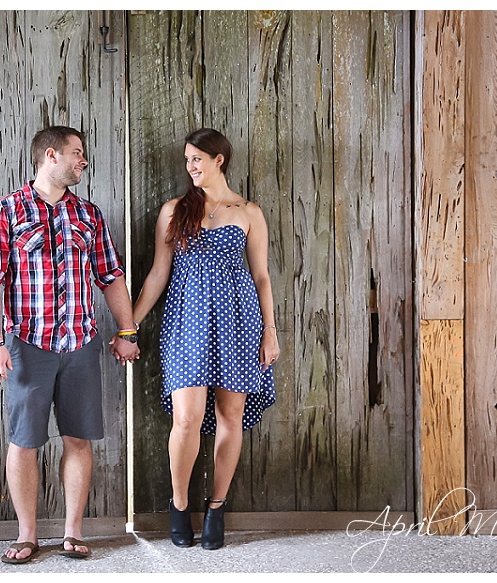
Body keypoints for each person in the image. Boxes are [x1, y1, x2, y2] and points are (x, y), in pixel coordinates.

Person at [0, 126, 140, 564]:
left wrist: (126, 331)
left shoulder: (89, 215)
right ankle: (27, 535)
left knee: (78, 439)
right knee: (24, 441)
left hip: (81, 343)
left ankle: (72, 533)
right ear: (51, 155)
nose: (83, 161)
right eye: (77, 153)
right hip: (27, 344)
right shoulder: (4, 212)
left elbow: (111, 275)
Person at [132, 128, 279, 550]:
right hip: (186, 322)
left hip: (239, 322)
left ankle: (217, 507)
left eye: (197, 159)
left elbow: (262, 276)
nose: (190, 167)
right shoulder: (174, 210)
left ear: (219, 160)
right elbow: (159, 274)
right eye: (187, 160)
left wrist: (270, 332)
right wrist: (131, 324)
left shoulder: (249, 212)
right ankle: (180, 506)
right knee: (186, 418)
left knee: (231, 417)